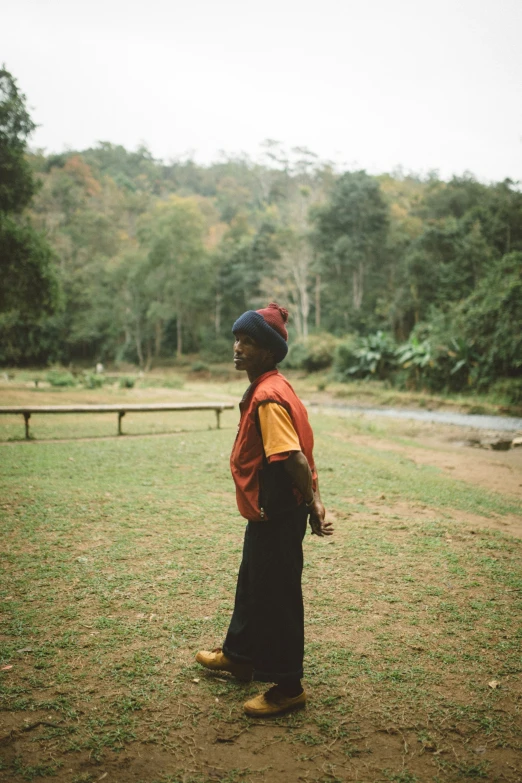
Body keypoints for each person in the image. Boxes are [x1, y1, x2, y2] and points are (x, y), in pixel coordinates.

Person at [196, 302, 333, 717]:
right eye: (237, 338)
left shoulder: (270, 397)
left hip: (279, 512)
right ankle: (240, 655)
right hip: (268, 512)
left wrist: (312, 504)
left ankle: (289, 686)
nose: (237, 347)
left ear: (269, 352)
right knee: (253, 581)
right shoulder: (267, 386)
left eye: (249, 342)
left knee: (278, 595)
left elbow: (292, 458)